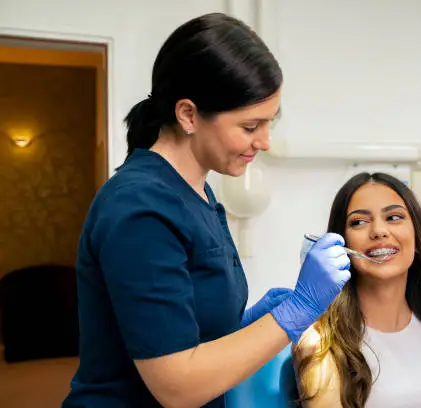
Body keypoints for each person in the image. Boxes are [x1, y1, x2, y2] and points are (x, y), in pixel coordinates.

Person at [62, 12, 351, 408]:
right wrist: (299, 310)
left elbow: (190, 332)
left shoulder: (201, 194)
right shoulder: (139, 208)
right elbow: (177, 387)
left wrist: (252, 321)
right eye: (250, 127)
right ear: (188, 115)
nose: (265, 142)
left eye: (269, 123)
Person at [292, 172, 421, 408]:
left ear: (416, 237)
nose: (379, 231)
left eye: (394, 217)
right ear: (341, 243)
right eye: (359, 222)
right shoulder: (320, 342)